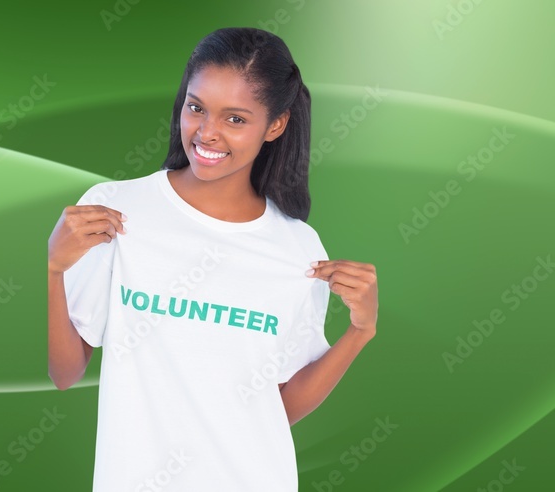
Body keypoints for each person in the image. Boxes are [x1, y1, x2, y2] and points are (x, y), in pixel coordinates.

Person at [47, 27, 379, 491]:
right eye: (196, 106)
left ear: (276, 125)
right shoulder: (117, 212)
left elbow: (277, 407)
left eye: (236, 119)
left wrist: (360, 332)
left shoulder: (298, 248)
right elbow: (66, 373)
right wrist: (55, 269)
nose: (206, 132)